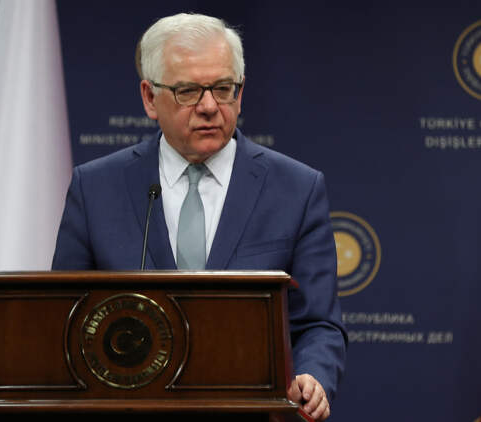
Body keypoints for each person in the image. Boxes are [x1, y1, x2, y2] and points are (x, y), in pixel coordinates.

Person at [52, 13, 346, 421]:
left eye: (223, 89)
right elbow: (63, 320)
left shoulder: (297, 189)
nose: (209, 107)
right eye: (188, 91)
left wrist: (313, 376)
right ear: (149, 98)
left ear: (240, 93)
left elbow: (318, 323)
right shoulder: (96, 188)